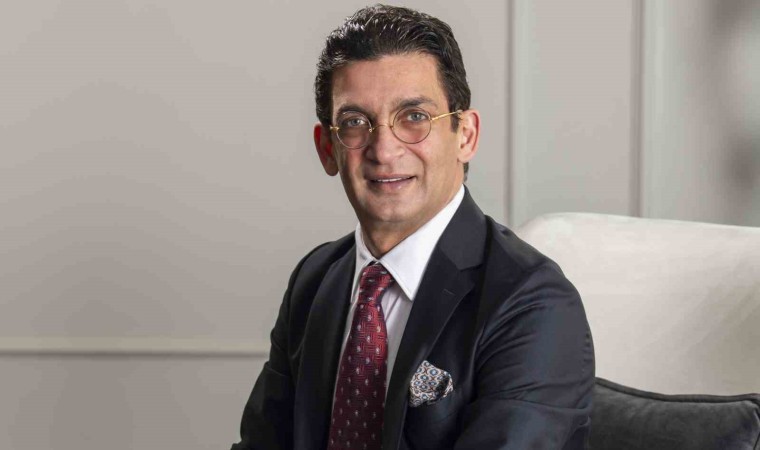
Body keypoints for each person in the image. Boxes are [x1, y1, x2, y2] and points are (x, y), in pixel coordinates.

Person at [231, 4, 594, 449]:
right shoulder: (315, 279)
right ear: (328, 148)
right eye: (355, 122)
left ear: (465, 135)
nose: (384, 150)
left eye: (415, 117)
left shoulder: (533, 303)